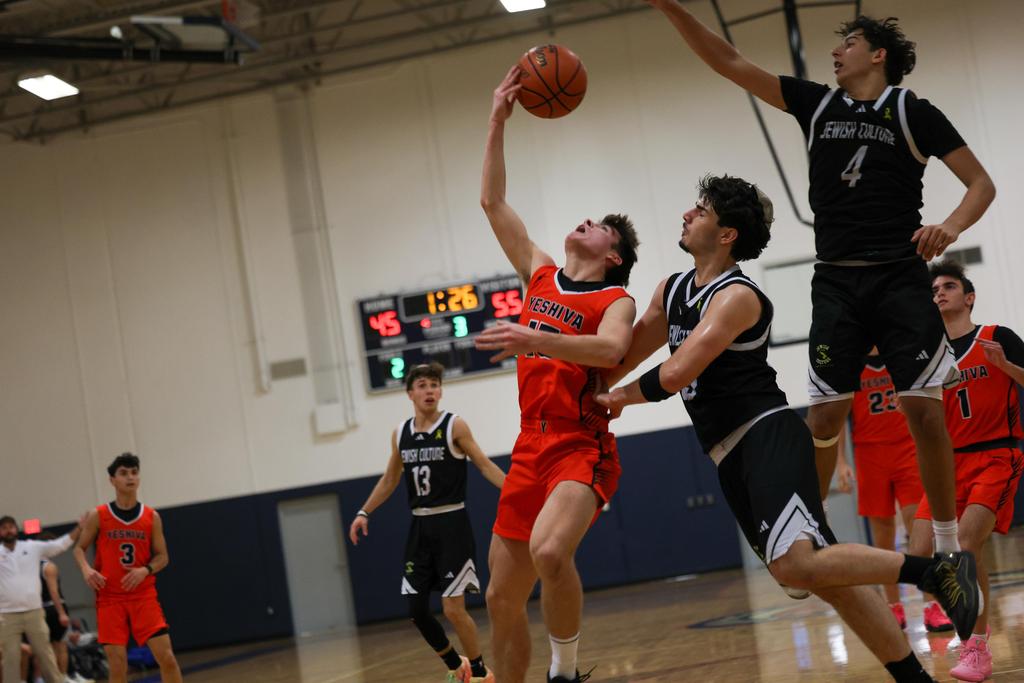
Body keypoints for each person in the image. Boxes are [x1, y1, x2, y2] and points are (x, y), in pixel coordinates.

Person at [644, 0, 996, 564]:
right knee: (825, 416)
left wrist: (950, 226)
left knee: (925, 413)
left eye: (848, 43)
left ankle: (949, 548)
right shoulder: (817, 103)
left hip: (899, 277)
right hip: (837, 282)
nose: (836, 51)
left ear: (877, 55)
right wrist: (670, 7)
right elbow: (730, 62)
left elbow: (981, 184)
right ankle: (813, 532)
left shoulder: (913, 111)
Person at [596, 175, 979, 682]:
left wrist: (617, 399)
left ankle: (934, 571)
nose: (687, 215)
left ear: (727, 234)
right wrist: (584, 388)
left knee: (799, 565)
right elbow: (623, 357)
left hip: (765, 437)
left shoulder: (738, 295)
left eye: (701, 210)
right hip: (728, 456)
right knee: (825, 578)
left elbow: (676, 372)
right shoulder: (672, 290)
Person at [475, 66, 639, 683]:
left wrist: (534, 338)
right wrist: (497, 120)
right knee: (499, 598)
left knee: (549, 552)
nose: (586, 222)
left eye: (601, 226)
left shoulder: (615, 298)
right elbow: (493, 203)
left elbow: (611, 348)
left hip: (578, 443)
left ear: (613, 254)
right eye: (587, 218)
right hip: (528, 443)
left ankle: (564, 673)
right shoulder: (540, 274)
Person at [349, 362, 505, 683]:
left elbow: (484, 465)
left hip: (452, 525)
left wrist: (517, 492)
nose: (430, 390)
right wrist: (364, 512)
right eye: (422, 385)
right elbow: (390, 479)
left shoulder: (454, 426)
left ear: (441, 391)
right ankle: (456, 665)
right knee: (416, 611)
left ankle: (479, 672)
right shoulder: (401, 433)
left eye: (434, 384)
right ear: (410, 394)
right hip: (420, 529)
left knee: (453, 609)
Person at [908, 260, 1024, 682]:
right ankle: (968, 615)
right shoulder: (928, 353)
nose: (939, 292)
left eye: (949, 286)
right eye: (934, 289)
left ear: (969, 297)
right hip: (947, 463)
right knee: (919, 552)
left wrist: (1006, 366)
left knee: (968, 545)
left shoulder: (997, 336)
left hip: (995, 455)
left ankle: (977, 647)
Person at [72, 453, 182, 683]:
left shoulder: (152, 517)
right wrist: (86, 570)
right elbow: (79, 549)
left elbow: (163, 557)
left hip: (143, 595)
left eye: (134, 472)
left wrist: (145, 570)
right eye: (123, 473)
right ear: (112, 480)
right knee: (117, 665)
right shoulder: (99, 515)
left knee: (168, 658)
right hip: (110, 598)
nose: (130, 477)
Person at [841, 352, 931, 630]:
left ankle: (931, 604)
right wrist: (841, 463)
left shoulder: (899, 356)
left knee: (919, 529)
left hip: (907, 448)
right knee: (883, 539)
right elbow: (838, 418)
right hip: (870, 455)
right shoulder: (851, 365)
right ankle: (894, 606)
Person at [0, 515, 83, 683]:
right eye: (4, 528)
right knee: (10, 658)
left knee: (45, 653)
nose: (8, 530)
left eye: (11, 527)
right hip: (7, 615)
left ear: (16, 529)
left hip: (34, 612)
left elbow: (60, 545)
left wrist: (79, 528)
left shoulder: (31, 547)